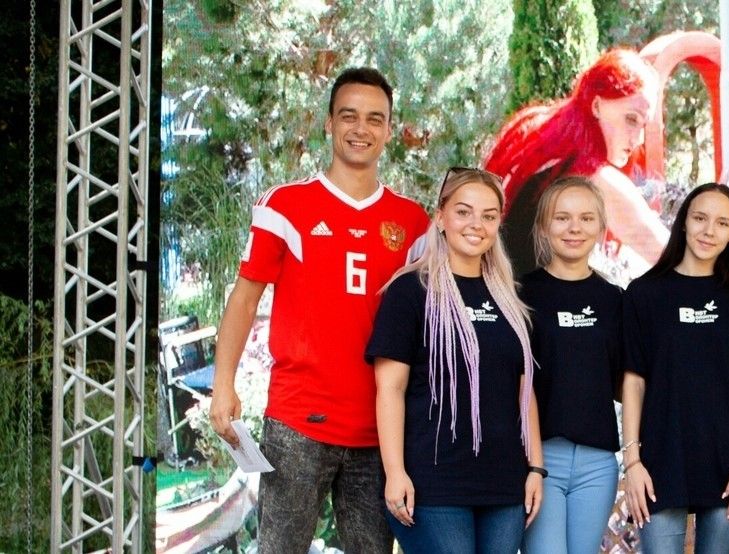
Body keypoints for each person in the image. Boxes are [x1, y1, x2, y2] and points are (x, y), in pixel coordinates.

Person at [207, 67, 429, 553]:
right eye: (349, 116)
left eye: (374, 119)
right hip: (297, 424)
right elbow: (244, 299)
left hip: (379, 433)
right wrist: (223, 385)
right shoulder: (285, 206)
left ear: (389, 130)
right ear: (329, 123)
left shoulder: (413, 222)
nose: (361, 128)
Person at [365, 168, 544, 553]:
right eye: (463, 212)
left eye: (488, 215)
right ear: (441, 217)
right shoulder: (411, 290)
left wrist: (535, 466)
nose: (476, 224)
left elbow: (523, 389)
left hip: (503, 484)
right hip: (434, 484)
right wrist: (395, 472)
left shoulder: (508, 299)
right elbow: (390, 389)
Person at [620, 183, 729, 553]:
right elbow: (633, 383)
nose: (709, 231)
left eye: (722, 223)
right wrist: (633, 463)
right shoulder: (644, 293)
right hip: (659, 462)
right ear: (684, 222)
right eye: (700, 218)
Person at [485, 49, 668, 278]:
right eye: (631, 119)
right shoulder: (595, 180)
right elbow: (671, 256)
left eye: (643, 126)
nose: (638, 139)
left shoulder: (547, 153)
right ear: (597, 106)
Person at [518, 176, 624, 554]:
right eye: (562, 218)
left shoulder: (615, 299)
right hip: (539, 457)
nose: (574, 228)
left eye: (586, 218)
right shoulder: (520, 294)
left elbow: (626, 383)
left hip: (598, 462)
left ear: (600, 226)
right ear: (544, 226)